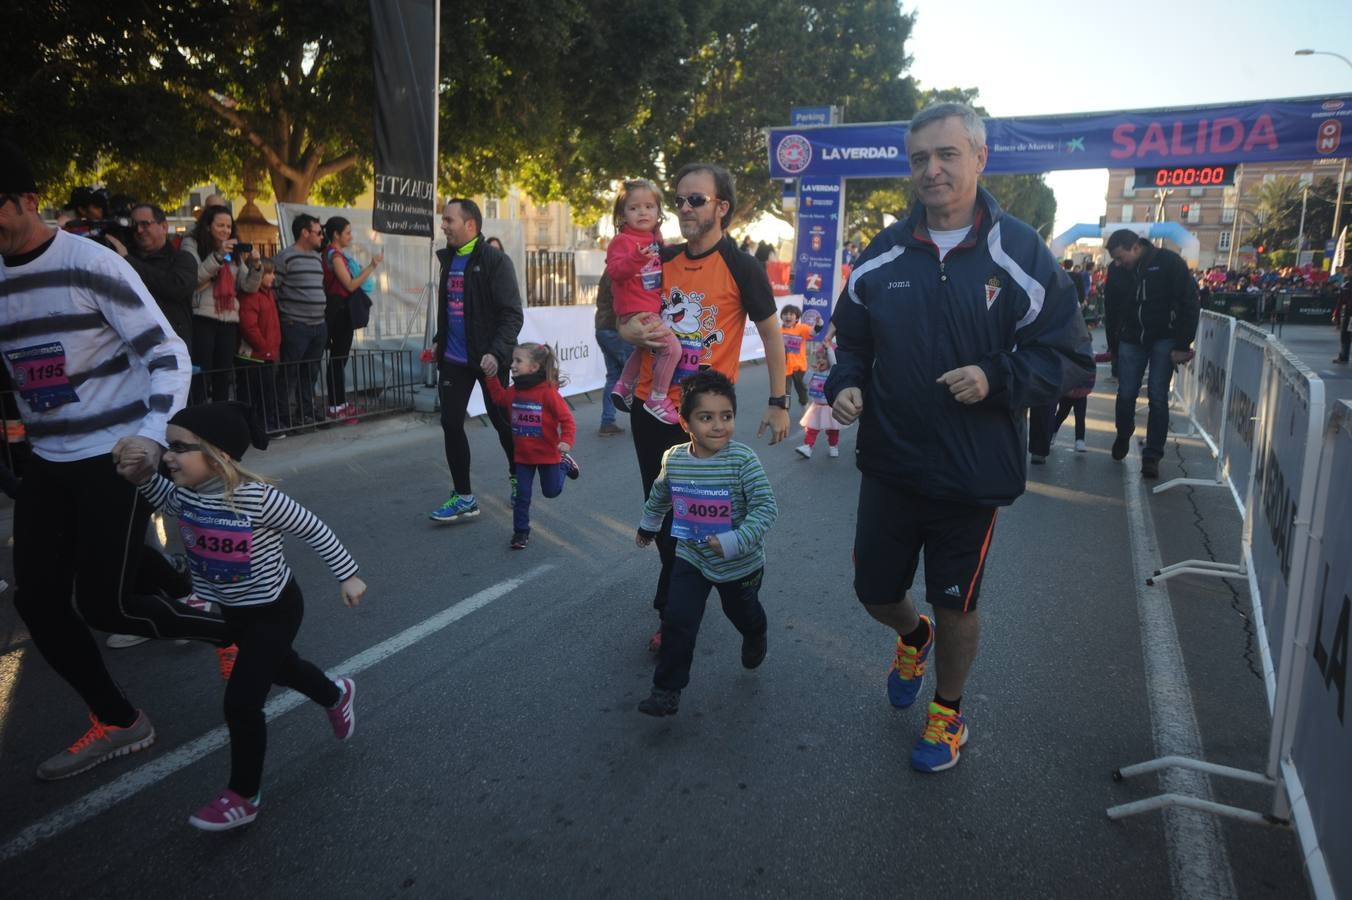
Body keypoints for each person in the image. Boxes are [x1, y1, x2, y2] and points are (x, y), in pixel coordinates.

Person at [826, 102, 1092, 773]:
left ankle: (947, 715)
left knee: (957, 603)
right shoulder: (883, 252)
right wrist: (843, 385)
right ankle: (909, 636)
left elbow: (1071, 358)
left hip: (972, 472)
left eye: (947, 155)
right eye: (920, 159)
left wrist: (996, 375)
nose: (932, 170)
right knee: (876, 594)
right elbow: (849, 340)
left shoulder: (1020, 250)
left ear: (979, 158)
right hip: (891, 463)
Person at [0, 139, 234, 782]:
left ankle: (237, 628)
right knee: (41, 601)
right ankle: (121, 719)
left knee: (108, 605)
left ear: (26, 200)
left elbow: (169, 354)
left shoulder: (89, 263)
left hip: (117, 454)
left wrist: (152, 436)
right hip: (48, 460)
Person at [115, 401, 365, 831]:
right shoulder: (188, 495)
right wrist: (142, 478)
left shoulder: (257, 497)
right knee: (283, 669)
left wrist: (348, 575)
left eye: (178, 447)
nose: (167, 456)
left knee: (242, 701)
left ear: (219, 456)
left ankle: (243, 795)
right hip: (235, 611)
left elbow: (314, 528)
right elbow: (164, 500)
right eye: (166, 446)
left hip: (276, 608)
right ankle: (336, 694)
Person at [619, 162, 789, 654]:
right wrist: (629, 331)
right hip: (651, 411)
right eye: (680, 200)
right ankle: (673, 609)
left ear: (721, 208)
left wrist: (779, 402)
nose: (685, 208)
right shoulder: (659, 258)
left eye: (696, 200)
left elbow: (773, 334)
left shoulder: (741, 265)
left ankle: (736, 594)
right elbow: (621, 314)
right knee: (667, 513)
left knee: (709, 519)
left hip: (705, 420)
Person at [635, 371, 777, 716]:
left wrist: (734, 540)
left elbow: (766, 507)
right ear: (685, 423)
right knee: (677, 618)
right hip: (692, 557)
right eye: (706, 417)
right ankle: (666, 688)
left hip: (739, 564)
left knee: (742, 614)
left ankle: (755, 633)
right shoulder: (675, 458)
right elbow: (660, 494)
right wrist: (648, 526)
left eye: (726, 416)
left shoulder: (742, 460)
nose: (718, 426)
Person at [428, 198, 522, 523]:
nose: (443, 226)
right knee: (450, 423)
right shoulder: (448, 259)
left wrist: (496, 353)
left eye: (448, 220)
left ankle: (517, 475)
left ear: (470, 225)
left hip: (489, 360)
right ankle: (464, 496)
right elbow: (454, 310)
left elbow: (512, 315)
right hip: (454, 360)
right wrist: (440, 341)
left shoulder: (496, 261)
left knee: (502, 421)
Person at [1103, 229, 1199, 479]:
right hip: (1130, 338)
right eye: (1114, 259)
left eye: (1120, 257)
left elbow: (1190, 301)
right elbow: (1111, 307)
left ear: (1135, 247)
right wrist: (1113, 345)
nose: (1118, 263)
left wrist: (1181, 344)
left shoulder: (1169, 263)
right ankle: (1124, 433)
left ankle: (1152, 456)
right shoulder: (1117, 271)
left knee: (1157, 396)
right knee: (1125, 394)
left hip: (1164, 339)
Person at [483, 342, 580, 550]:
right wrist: (490, 377)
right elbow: (499, 398)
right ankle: (520, 532)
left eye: (518, 361)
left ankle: (564, 465)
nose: (512, 365)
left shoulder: (547, 393)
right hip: (523, 457)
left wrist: (566, 441)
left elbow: (567, 420)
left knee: (551, 492)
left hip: (548, 455)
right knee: (521, 497)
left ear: (534, 367)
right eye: (512, 360)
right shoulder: (515, 390)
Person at [606, 178, 682, 424]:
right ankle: (657, 397)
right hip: (636, 310)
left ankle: (624, 385)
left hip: (649, 309)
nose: (642, 212)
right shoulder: (622, 241)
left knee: (643, 348)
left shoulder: (654, 241)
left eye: (649, 206)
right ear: (622, 214)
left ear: (659, 211)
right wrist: (635, 260)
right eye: (634, 207)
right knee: (672, 348)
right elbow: (615, 272)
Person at [188, 205, 262, 404]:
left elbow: (248, 286)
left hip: (229, 319)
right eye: (220, 225)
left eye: (229, 226)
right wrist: (218, 255)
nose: (225, 230)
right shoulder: (193, 244)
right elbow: (193, 278)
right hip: (203, 318)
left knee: (223, 374)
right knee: (201, 374)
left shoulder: (234, 252)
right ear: (207, 226)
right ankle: (200, 418)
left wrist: (256, 266)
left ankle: (220, 418)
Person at [105, 203, 196, 347]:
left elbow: (174, 288)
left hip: (170, 347)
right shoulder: (123, 257)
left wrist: (128, 261)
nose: (139, 230)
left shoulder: (182, 259)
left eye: (145, 224)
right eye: (134, 225)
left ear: (164, 226)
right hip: (132, 346)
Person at [320, 217, 383, 420]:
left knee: (340, 358)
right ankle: (335, 406)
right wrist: (372, 266)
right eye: (347, 232)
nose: (350, 236)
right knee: (338, 359)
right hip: (338, 311)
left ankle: (340, 402)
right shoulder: (334, 255)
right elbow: (350, 285)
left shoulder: (337, 254)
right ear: (336, 235)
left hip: (340, 310)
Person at [273, 214, 328, 425]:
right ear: (305, 233)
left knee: (311, 373)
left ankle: (306, 411)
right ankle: (283, 415)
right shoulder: (286, 257)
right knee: (289, 373)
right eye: (318, 232)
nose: (321, 236)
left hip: (318, 325)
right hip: (296, 326)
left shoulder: (316, 257)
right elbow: (275, 289)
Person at [236, 259, 283, 431]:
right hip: (254, 357)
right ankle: (258, 428)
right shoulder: (251, 295)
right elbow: (248, 326)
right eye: (268, 273)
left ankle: (266, 427)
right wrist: (264, 347)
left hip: (266, 354)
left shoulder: (268, 293)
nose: (272, 277)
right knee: (255, 396)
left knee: (266, 394)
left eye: (272, 273)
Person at [593, 272, 632, 436]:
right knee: (634, 377)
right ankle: (640, 422)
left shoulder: (609, 271)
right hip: (617, 329)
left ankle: (607, 421)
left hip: (603, 328)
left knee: (613, 377)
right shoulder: (621, 272)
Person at [795, 342, 842, 459]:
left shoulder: (832, 372)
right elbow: (805, 381)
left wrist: (829, 348)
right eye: (818, 358)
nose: (820, 360)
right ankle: (807, 447)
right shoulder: (815, 371)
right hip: (816, 406)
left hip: (830, 407)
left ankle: (833, 446)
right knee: (812, 428)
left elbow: (834, 361)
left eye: (824, 358)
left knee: (832, 429)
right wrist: (811, 370)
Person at [780, 304, 814, 410]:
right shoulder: (777, 331)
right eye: (785, 314)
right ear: (781, 317)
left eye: (791, 314)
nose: (788, 316)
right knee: (785, 392)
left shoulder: (801, 328)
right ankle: (785, 410)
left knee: (802, 389)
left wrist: (818, 325)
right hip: (784, 368)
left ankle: (804, 403)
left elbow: (813, 333)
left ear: (796, 318)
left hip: (799, 367)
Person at [1333, 268, 1351, 364]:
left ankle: (1344, 356)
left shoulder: (1346, 285)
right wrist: (1336, 314)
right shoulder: (1345, 284)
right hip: (1348, 313)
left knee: (1345, 335)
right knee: (1345, 335)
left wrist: (1336, 314)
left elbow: (1341, 301)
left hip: (1349, 314)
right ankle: (1344, 356)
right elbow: (1340, 300)